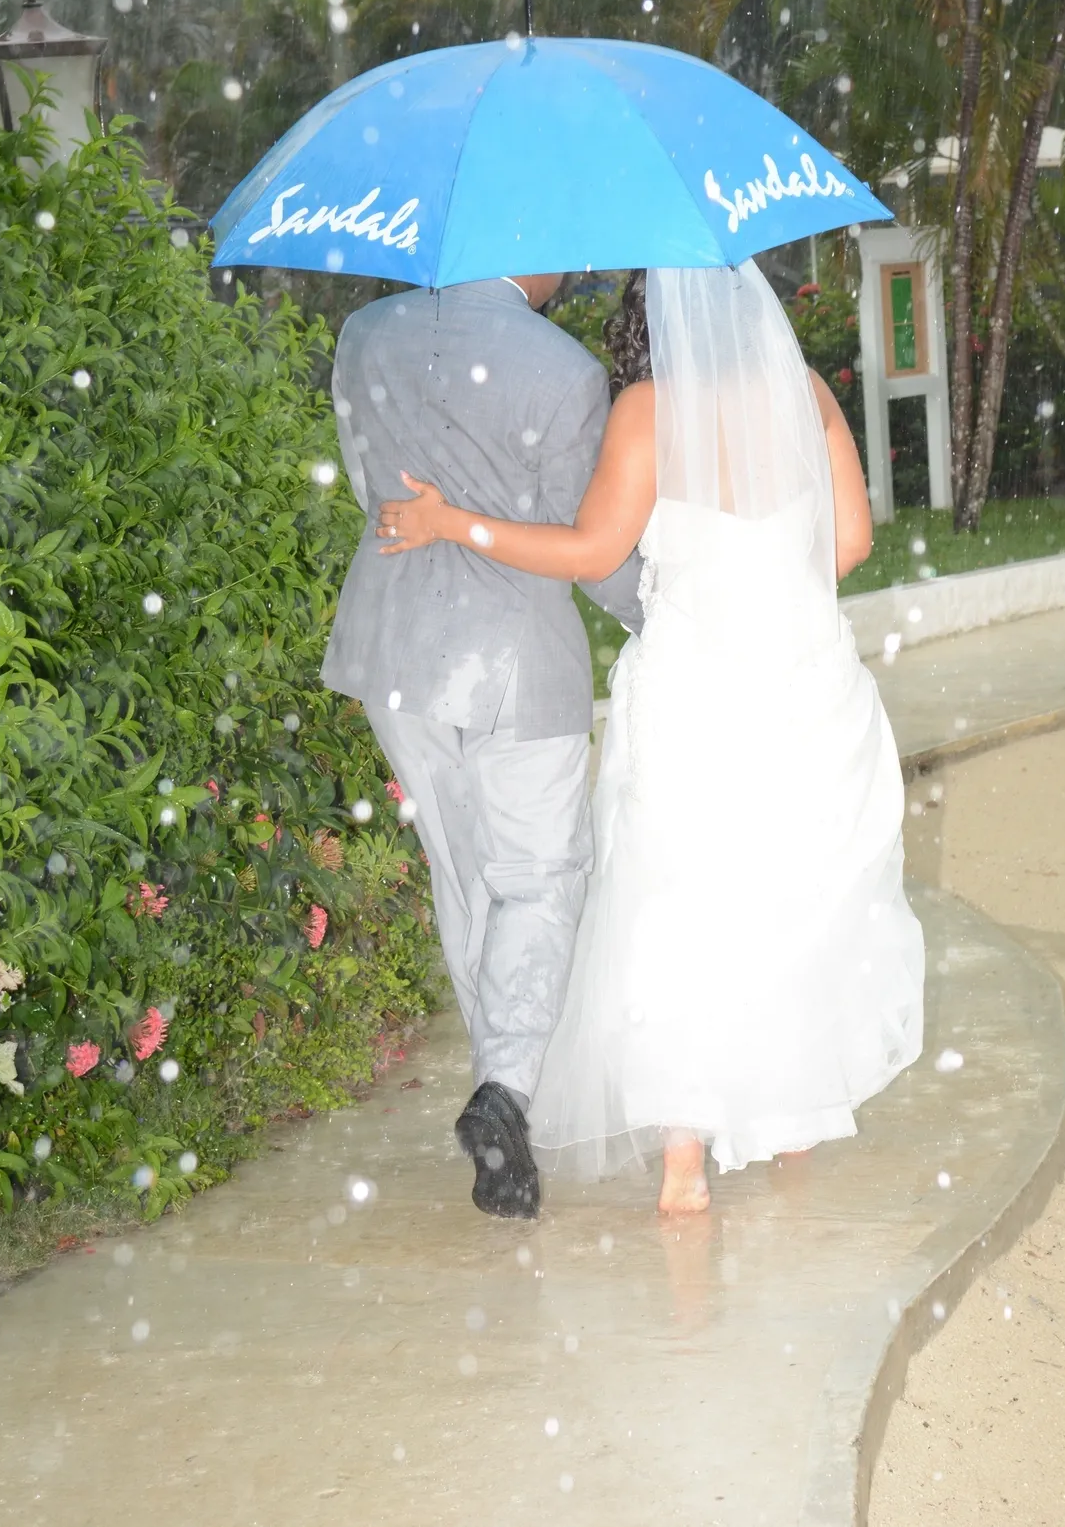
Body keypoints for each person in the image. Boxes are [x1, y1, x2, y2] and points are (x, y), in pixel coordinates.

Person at [378, 261, 925, 1213]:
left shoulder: (647, 412)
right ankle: (789, 1114)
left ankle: (684, 1158)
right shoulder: (807, 396)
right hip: (800, 681)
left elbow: (592, 553)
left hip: (692, 689)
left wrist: (453, 523)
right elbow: (850, 546)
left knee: (679, 903)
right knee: (784, 890)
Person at [323, 274, 643, 1220]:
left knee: (461, 874)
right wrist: (662, 614)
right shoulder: (563, 371)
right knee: (540, 876)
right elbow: (596, 545)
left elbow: (365, 487)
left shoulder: (362, 335)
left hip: (395, 651)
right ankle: (505, 1090)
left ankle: (497, 1096)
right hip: (514, 660)